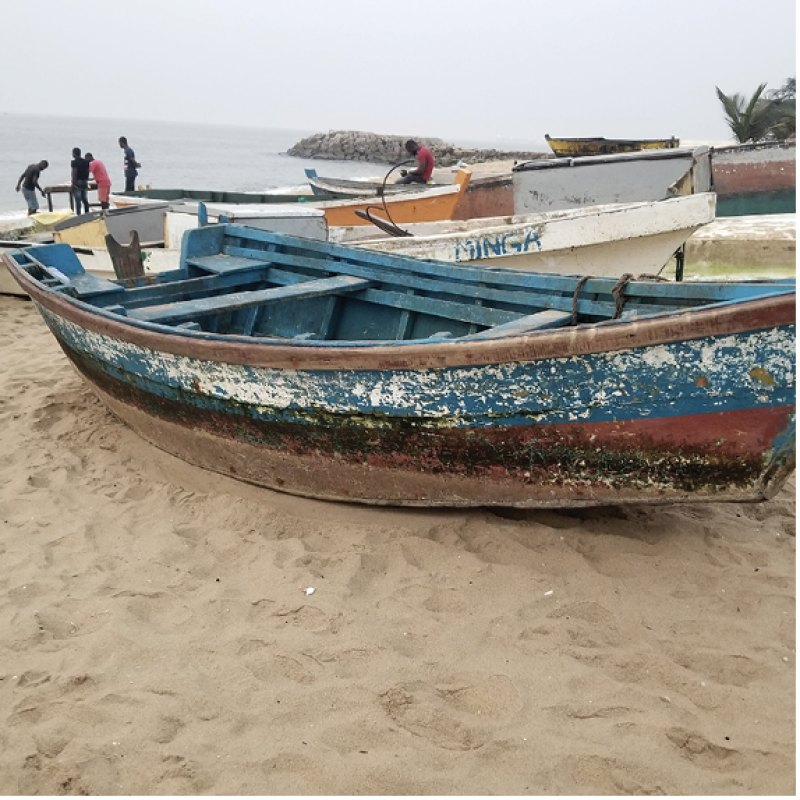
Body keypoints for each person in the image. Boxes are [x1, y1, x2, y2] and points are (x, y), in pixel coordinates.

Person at [70, 147, 91, 215]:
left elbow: (74, 172)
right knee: (84, 198)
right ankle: (87, 213)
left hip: (78, 181)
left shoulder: (74, 162)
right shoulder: (86, 162)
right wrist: (86, 179)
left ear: (74, 154)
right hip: (84, 181)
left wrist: (73, 183)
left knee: (78, 200)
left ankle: (78, 215)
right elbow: (88, 171)